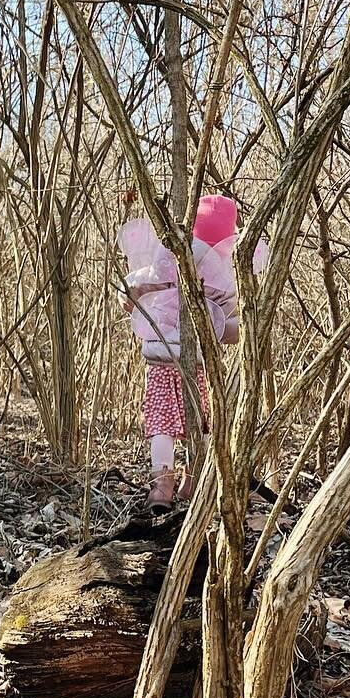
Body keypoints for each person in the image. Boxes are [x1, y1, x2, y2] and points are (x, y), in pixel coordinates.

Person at [120, 194, 245, 509]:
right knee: (199, 422)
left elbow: (132, 292)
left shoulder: (164, 258)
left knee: (161, 424)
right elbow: (230, 325)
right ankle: (193, 482)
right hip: (197, 363)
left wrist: (134, 298)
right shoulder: (223, 278)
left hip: (160, 356)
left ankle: (162, 486)